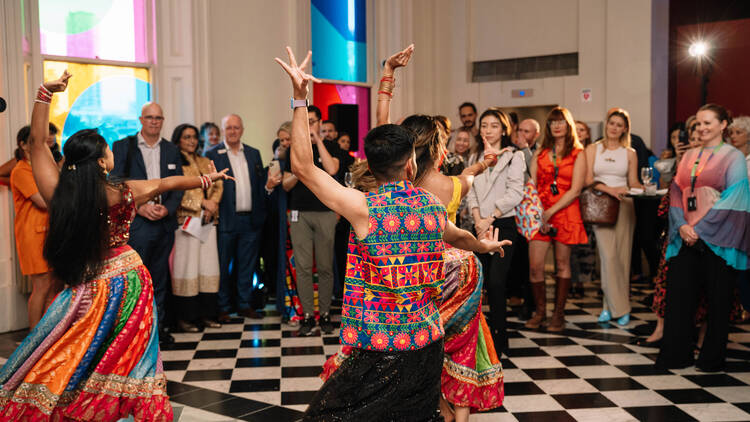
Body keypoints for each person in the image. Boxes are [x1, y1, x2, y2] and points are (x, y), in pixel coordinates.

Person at [275, 46, 509, 422]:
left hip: (379, 344)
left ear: (370, 162)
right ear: (412, 162)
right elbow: (460, 238)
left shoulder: (363, 208)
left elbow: (303, 166)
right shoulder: (432, 207)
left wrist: (300, 99)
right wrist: (484, 244)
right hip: (425, 342)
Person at [0, 71, 231, 421]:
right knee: (126, 351)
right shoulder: (122, 191)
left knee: (71, 343)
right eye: (107, 149)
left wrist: (45, 94)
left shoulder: (61, 191)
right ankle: (116, 401)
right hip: (129, 282)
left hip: (88, 284)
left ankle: (75, 397)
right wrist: (206, 178)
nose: (111, 153)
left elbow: (35, 143)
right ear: (102, 160)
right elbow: (166, 182)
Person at [657, 103, 750, 371]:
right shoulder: (688, 156)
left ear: (723, 125)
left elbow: (737, 196)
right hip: (685, 234)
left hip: (718, 238)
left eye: (708, 122)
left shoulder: (732, 157)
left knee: (718, 300)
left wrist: (701, 228)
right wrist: (682, 226)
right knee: (679, 298)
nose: (701, 127)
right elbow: (675, 192)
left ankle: (710, 360)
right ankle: (676, 355)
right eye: (698, 123)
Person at [111, 102, 184, 347]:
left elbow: (179, 184)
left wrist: (168, 208)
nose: (154, 122)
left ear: (162, 121)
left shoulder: (172, 150)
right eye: (150, 117)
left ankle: (159, 327)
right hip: (137, 222)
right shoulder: (123, 147)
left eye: (158, 118)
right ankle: (133, 330)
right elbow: (116, 183)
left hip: (164, 223)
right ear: (141, 120)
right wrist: (139, 207)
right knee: (136, 278)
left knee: (160, 277)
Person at [206, 114, 279, 322]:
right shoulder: (212, 154)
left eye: (236, 127)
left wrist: (267, 190)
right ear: (223, 130)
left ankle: (245, 304)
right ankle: (222, 307)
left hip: (250, 220)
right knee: (222, 265)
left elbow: (258, 186)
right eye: (228, 128)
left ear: (242, 129)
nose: (233, 131)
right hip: (226, 219)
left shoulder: (254, 153)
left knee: (247, 265)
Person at [467, 108, 525, 354]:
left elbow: (515, 193)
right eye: (484, 125)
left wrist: (490, 218)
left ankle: (500, 343)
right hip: (478, 225)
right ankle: (477, 342)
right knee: (477, 284)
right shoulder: (474, 158)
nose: (488, 130)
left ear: (503, 129)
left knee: (497, 283)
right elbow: (470, 191)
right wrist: (478, 218)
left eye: (493, 126)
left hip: (502, 224)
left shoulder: (514, 156)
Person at [526, 107, 588, 332]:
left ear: (568, 124)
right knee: (535, 266)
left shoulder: (578, 153)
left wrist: (550, 212)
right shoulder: (542, 152)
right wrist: (538, 209)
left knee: (562, 264)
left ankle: (558, 315)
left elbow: (576, 189)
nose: (557, 125)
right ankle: (540, 312)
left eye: (561, 121)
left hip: (565, 211)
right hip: (539, 211)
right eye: (552, 122)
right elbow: (531, 183)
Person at [281, 104, 340, 336]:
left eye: (313, 121)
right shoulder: (294, 149)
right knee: (304, 267)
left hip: (325, 211)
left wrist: (318, 140)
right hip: (299, 213)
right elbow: (286, 184)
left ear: (320, 123)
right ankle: (307, 315)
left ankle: (324, 313)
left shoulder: (330, 145)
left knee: (325, 266)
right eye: (306, 121)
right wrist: (300, 165)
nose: (309, 125)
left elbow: (332, 168)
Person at [584, 108, 642, 326]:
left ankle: (612, 307)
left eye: (619, 124)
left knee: (622, 257)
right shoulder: (593, 149)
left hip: (625, 204)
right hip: (601, 204)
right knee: (607, 258)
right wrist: (610, 190)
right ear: (606, 125)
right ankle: (617, 307)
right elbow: (588, 179)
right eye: (611, 123)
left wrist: (645, 188)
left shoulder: (630, 153)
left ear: (625, 128)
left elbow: (633, 181)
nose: (614, 127)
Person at [170, 124, 224, 332]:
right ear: (178, 140)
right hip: (187, 223)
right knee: (187, 270)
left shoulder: (204, 160)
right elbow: (178, 188)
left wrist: (213, 203)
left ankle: (207, 315)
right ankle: (186, 318)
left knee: (209, 268)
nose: (191, 141)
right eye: (186, 137)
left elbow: (217, 183)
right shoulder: (176, 162)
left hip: (208, 223)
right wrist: (201, 203)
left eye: (193, 137)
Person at [10, 125, 62, 329]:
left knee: (54, 285)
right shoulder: (21, 170)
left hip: (51, 233)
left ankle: (46, 333)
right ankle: (34, 337)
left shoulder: (44, 167)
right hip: (33, 235)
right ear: (23, 145)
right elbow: (43, 200)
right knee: (41, 286)